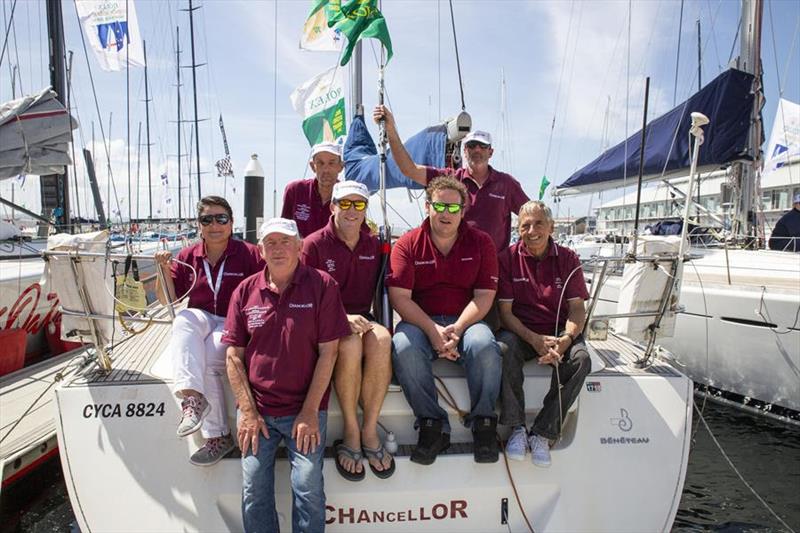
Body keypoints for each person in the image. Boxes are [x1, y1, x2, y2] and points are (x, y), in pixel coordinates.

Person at [223, 217, 351, 533]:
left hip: (303, 410)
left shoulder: (322, 285)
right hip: (259, 412)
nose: (278, 249)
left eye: (285, 242)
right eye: (271, 243)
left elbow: (329, 353)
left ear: (299, 246)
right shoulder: (244, 291)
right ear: (261, 251)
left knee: (307, 486)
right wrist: (249, 413)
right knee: (254, 488)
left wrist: (309, 412)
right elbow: (233, 357)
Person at [388, 176, 502, 465]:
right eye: (439, 205)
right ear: (427, 207)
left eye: (454, 208)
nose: (446, 213)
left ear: (464, 211)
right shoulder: (408, 243)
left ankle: (484, 424)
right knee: (403, 346)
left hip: (466, 321)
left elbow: (485, 296)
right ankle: (433, 423)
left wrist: (457, 329)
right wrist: (432, 329)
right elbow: (400, 297)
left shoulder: (482, 243)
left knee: (485, 344)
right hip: (420, 321)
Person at [155, 196, 264, 466]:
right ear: (199, 225)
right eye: (207, 220)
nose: (214, 225)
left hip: (233, 319)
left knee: (210, 354)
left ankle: (217, 436)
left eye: (221, 219)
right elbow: (167, 300)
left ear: (231, 223)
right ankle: (193, 399)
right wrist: (161, 270)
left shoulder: (249, 254)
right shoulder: (187, 256)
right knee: (183, 320)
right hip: (202, 315)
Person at [301, 181, 394, 481]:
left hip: (362, 319)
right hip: (325, 322)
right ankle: (351, 431)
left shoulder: (373, 243)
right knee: (351, 345)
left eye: (359, 204)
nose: (352, 211)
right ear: (333, 206)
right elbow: (303, 296)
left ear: (365, 209)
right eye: (345, 204)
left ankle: (370, 430)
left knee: (382, 339)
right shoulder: (313, 244)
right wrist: (341, 317)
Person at [496, 200, 591, 467]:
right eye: (525, 225)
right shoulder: (507, 259)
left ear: (551, 226)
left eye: (539, 223)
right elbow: (505, 313)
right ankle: (516, 427)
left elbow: (576, 310)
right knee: (503, 349)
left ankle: (542, 432)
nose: (532, 230)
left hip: (560, 331)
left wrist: (566, 340)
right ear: (518, 229)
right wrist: (534, 340)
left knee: (581, 359)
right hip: (521, 330)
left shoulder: (568, 258)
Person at [373, 104, 529, 252]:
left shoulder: (506, 184)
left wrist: (516, 254)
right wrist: (391, 130)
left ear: (491, 152)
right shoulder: (450, 179)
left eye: (482, 146)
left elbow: (531, 216)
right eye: (472, 145)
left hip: (495, 267)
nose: (477, 150)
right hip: (458, 264)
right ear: (465, 151)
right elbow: (410, 170)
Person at [281, 142, 343, 237]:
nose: (326, 170)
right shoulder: (295, 191)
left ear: (340, 167)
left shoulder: (349, 196)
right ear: (312, 166)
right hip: (301, 251)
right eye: (320, 163)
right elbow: (283, 231)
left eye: (331, 163)